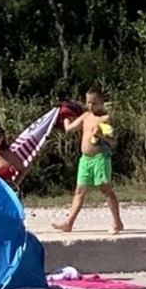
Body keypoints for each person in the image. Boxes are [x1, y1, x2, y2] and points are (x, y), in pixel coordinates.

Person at [52, 87, 124, 235]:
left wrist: (101, 135)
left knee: (105, 188)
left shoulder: (105, 119)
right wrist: (64, 115)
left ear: (102, 103)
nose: (91, 106)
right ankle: (69, 222)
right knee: (79, 190)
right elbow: (69, 129)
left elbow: (113, 142)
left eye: (95, 103)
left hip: (100, 157)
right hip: (85, 159)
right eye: (89, 103)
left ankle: (117, 222)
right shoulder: (85, 116)